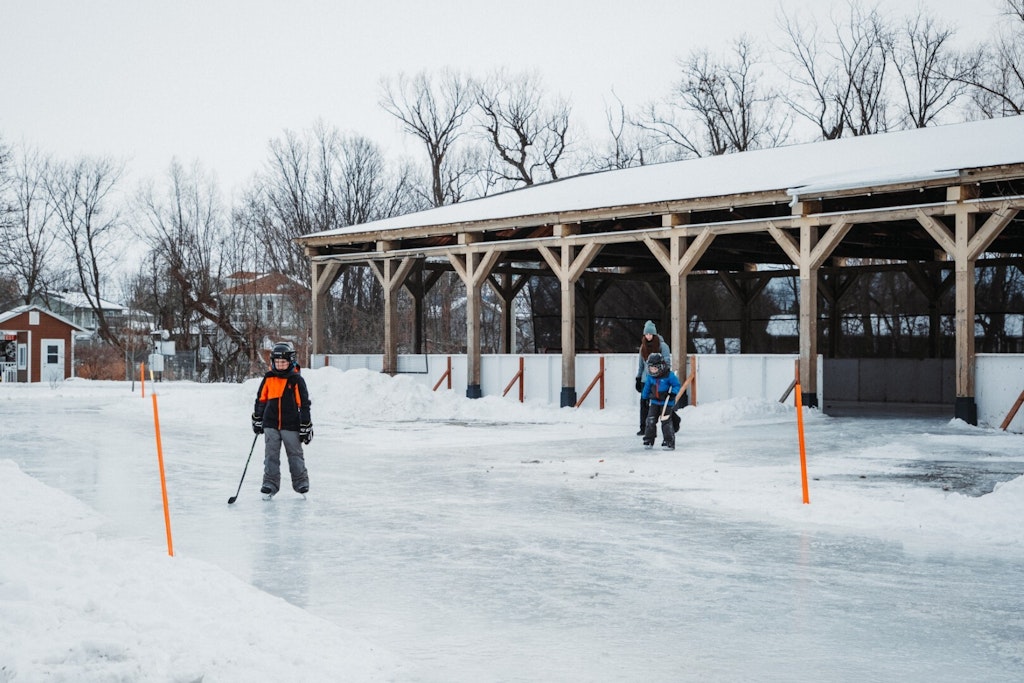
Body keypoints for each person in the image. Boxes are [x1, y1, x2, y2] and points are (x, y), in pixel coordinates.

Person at [251, 341, 313, 498]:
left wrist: (305, 425)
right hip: (270, 423)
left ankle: (300, 482)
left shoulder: (296, 380)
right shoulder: (269, 378)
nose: (280, 365)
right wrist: (257, 418)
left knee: (295, 454)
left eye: (283, 362)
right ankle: (270, 484)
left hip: (290, 424)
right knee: (271, 455)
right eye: (277, 362)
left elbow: (304, 404)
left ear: (290, 361)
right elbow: (261, 400)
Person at [635, 320, 672, 436]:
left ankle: (674, 421)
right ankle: (643, 427)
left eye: (650, 334)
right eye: (646, 334)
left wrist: (663, 376)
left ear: (654, 334)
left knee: (660, 403)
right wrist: (638, 378)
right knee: (644, 403)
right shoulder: (643, 347)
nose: (648, 336)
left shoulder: (662, 346)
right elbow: (641, 365)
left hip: (658, 380)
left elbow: (667, 362)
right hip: (645, 380)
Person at [640, 352, 681, 450]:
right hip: (654, 402)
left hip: (666, 403)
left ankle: (669, 441)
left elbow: (676, 385)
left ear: (661, 366)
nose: (653, 371)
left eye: (655, 369)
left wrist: (673, 393)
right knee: (650, 420)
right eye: (651, 369)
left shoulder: (669, 376)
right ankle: (648, 440)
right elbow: (646, 388)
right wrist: (644, 398)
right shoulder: (650, 377)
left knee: (665, 421)